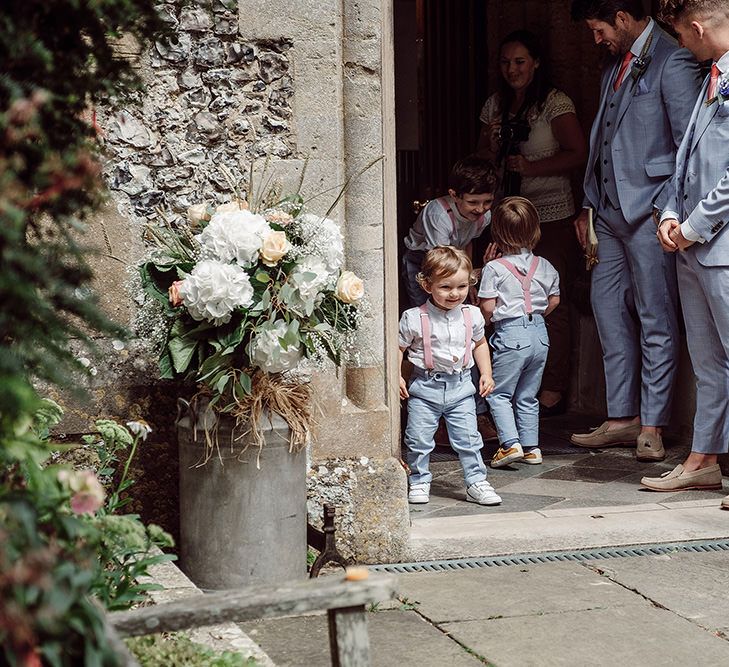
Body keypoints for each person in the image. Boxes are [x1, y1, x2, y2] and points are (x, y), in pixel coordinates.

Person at [569, 0, 701, 461]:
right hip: (607, 214)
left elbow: (689, 144)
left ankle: (652, 425)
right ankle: (621, 417)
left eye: (599, 29)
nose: (596, 39)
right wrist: (589, 205)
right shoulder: (613, 65)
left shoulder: (674, 58)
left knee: (655, 317)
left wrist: (667, 210)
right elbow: (602, 139)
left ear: (623, 19)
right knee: (606, 311)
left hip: (648, 214)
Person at [643, 0, 729, 504]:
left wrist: (694, 225)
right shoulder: (708, 79)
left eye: (681, 38)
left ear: (696, 28)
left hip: (719, 243)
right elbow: (686, 153)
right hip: (694, 244)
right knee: (707, 361)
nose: (681, 48)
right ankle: (703, 459)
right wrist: (671, 212)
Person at [477, 30, 587, 416]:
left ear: (536, 62)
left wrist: (531, 167)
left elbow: (578, 154)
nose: (512, 69)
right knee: (503, 296)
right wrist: (493, 147)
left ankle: (551, 388)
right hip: (507, 217)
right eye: (505, 62)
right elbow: (480, 164)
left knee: (548, 302)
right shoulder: (496, 105)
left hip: (551, 214)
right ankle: (505, 383)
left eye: (520, 61)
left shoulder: (555, 102)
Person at [398, 246, 501, 506]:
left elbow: (479, 344)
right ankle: (419, 480)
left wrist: (486, 374)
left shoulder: (472, 314)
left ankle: (476, 481)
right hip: (424, 387)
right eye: (445, 287)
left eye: (462, 286)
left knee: (468, 438)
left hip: (461, 388)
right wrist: (396, 377)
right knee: (419, 438)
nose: (455, 294)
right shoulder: (414, 318)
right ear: (426, 284)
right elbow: (398, 349)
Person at [478, 197, 560, 468]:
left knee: (498, 393)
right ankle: (531, 448)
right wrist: (535, 317)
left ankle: (509, 444)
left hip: (510, 334)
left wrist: (485, 322)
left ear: (497, 233)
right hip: (539, 334)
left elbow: (488, 306)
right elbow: (554, 301)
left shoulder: (494, 268)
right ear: (535, 231)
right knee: (527, 394)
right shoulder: (545, 265)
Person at [402, 155, 497, 307]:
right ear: (454, 195)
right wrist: (468, 277)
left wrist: (469, 280)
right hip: (424, 258)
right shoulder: (439, 215)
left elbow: (467, 242)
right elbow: (440, 259)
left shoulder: (484, 216)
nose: (481, 208)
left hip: (455, 257)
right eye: (473, 202)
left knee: (456, 306)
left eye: (488, 201)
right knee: (425, 308)